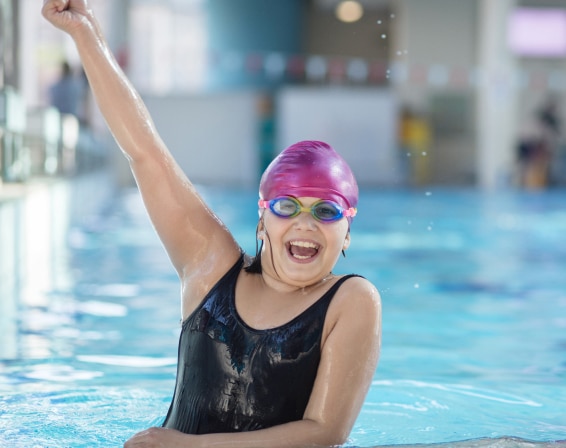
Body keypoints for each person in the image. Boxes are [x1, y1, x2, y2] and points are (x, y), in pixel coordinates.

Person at [42, 1, 382, 447]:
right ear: (262, 222)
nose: (304, 223)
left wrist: (193, 447)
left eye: (326, 211)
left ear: (347, 231)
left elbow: (324, 433)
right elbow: (145, 153)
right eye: (286, 207)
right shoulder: (211, 268)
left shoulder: (350, 301)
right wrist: (85, 31)